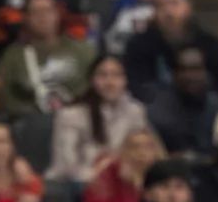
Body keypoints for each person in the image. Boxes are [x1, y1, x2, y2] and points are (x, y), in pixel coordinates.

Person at [122, 0, 218, 100]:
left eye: (174, 3)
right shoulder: (138, 47)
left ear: (188, 7)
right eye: (161, 5)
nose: (168, 12)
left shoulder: (211, 46)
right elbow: (137, 88)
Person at [49, 54, 150, 184]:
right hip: (79, 183)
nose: (110, 82)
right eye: (103, 75)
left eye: (116, 75)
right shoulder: (70, 115)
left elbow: (141, 152)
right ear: (91, 80)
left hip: (125, 180)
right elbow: (65, 166)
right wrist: (98, 174)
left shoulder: (135, 111)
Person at [0, 0, 96, 116]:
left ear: (57, 14)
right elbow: (8, 98)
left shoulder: (82, 49)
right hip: (31, 122)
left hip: (79, 118)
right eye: (35, 12)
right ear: (26, 18)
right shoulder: (14, 56)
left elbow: (95, 88)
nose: (42, 17)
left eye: (47, 10)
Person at [80, 124, 161, 202]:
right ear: (123, 151)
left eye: (148, 147)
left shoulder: (165, 179)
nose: (142, 153)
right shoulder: (106, 176)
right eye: (135, 147)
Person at [143, 44, 218, 159]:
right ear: (174, 74)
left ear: (206, 72)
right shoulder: (158, 113)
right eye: (183, 69)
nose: (190, 76)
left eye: (196, 69)